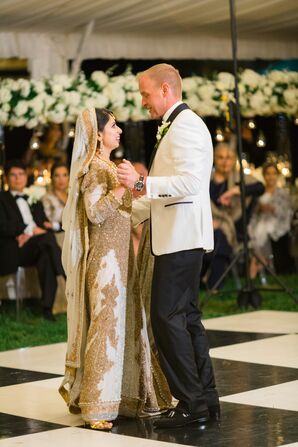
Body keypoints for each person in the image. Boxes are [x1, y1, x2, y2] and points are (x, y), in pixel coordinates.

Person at [117, 63, 220, 429]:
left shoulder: (187, 124)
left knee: (166, 319)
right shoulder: (177, 125)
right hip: (179, 236)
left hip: (181, 239)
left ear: (165, 90)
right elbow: (168, 193)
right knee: (187, 320)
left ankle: (191, 403)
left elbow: (190, 183)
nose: (143, 101)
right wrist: (124, 213)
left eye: (146, 94)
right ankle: (205, 400)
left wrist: (141, 183)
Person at [59, 108, 171, 431]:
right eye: (113, 126)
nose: (119, 130)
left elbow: (123, 215)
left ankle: (121, 397)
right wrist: (123, 188)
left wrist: (143, 197)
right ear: (97, 134)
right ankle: (96, 405)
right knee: (104, 328)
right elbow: (95, 213)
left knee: (124, 325)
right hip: (105, 262)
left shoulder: (108, 166)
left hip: (122, 258)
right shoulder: (93, 168)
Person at [0, 159, 64, 320]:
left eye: (21, 174)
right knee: (48, 240)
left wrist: (35, 232)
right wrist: (26, 230)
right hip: (16, 247)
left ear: (25, 177)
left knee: (47, 256)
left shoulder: (33, 200)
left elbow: (42, 223)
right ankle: (65, 273)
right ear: (6, 178)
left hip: (36, 246)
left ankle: (47, 309)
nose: (17, 178)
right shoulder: (2, 199)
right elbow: (2, 225)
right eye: (13, 175)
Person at [202, 143, 265, 290]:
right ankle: (204, 281)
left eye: (229, 158)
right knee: (211, 234)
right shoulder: (205, 181)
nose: (225, 162)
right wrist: (208, 222)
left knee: (218, 236)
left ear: (234, 160)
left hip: (235, 229)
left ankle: (214, 284)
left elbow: (260, 188)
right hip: (206, 226)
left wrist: (236, 190)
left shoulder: (240, 179)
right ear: (214, 159)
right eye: (221, 157)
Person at [248, 162, 293, 277]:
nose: (271, 176)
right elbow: (253, 213)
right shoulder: (259, 193)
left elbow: (287, 212)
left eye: (273, 173)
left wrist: (273, 209)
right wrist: (259, 208)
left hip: (276, 222)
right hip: (260, 221)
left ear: (277, 175)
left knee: (263, 230)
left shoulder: (283, 193)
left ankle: (256, 262)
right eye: (268, 173)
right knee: (256, 230)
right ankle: (262, 261)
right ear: (264, 175)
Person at [42, 161, 69, 248]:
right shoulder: (47, 198)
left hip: (75, 236)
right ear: (52, 177)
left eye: (64, 175)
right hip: (59, 239)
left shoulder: (73, 197)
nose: (61, 179)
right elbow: (49, 222)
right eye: (57, 175)